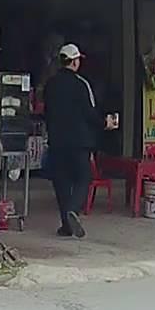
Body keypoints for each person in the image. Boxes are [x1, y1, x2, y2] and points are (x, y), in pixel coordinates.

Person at [42, 43, 118, 238]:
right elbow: (89, 113)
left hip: (57, 142)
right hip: (79, 143)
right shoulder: (81, 84)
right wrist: (105, 123)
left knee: (61, 183)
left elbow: (46, 113)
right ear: (75, 62)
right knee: (84, 177)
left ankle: (66, 225)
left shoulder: (50, 85)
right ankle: (73, 209)